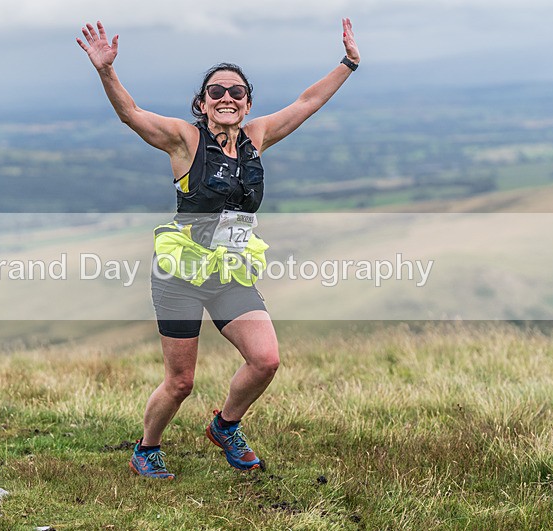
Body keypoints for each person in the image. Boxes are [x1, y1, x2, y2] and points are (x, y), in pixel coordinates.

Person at [77, 19, 360, 479]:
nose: (226, 97)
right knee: (180, 382)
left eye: (236, 91)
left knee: (266, 360)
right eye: (216, 92)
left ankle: (226, 425)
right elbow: (131, 113)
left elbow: (307, 102)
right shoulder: (185, 142)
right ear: (202, 103)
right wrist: (106, 71)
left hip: (229, 272)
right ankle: (146, 449)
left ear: (247, 103)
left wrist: (348, 63)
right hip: (181, 276)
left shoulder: (256, 137)